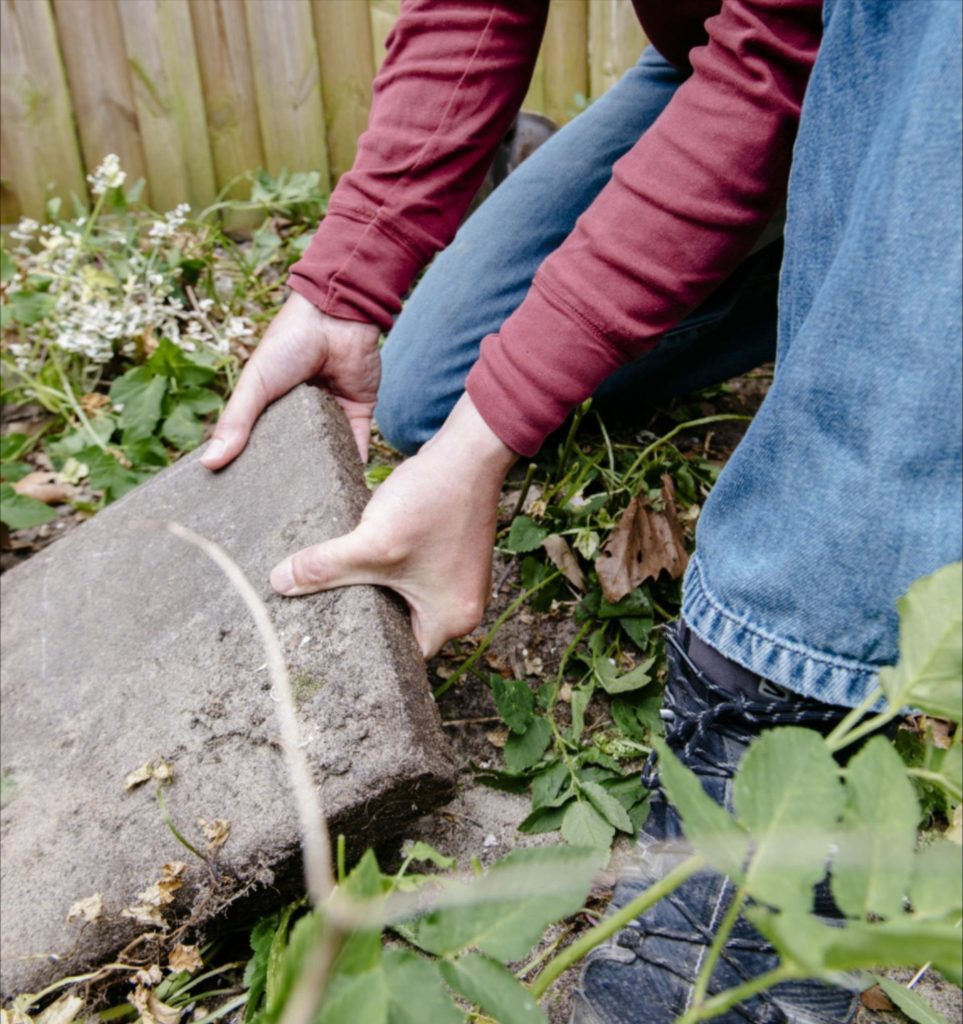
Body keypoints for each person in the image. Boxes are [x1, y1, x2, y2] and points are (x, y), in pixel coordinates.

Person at [200, 2, 963, 1021]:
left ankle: (776, 702)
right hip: (721, 56)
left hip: (906, 57)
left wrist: (483, 450)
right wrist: (344, 287)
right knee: (428, 392)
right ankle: (834, 257)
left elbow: (776, 50)